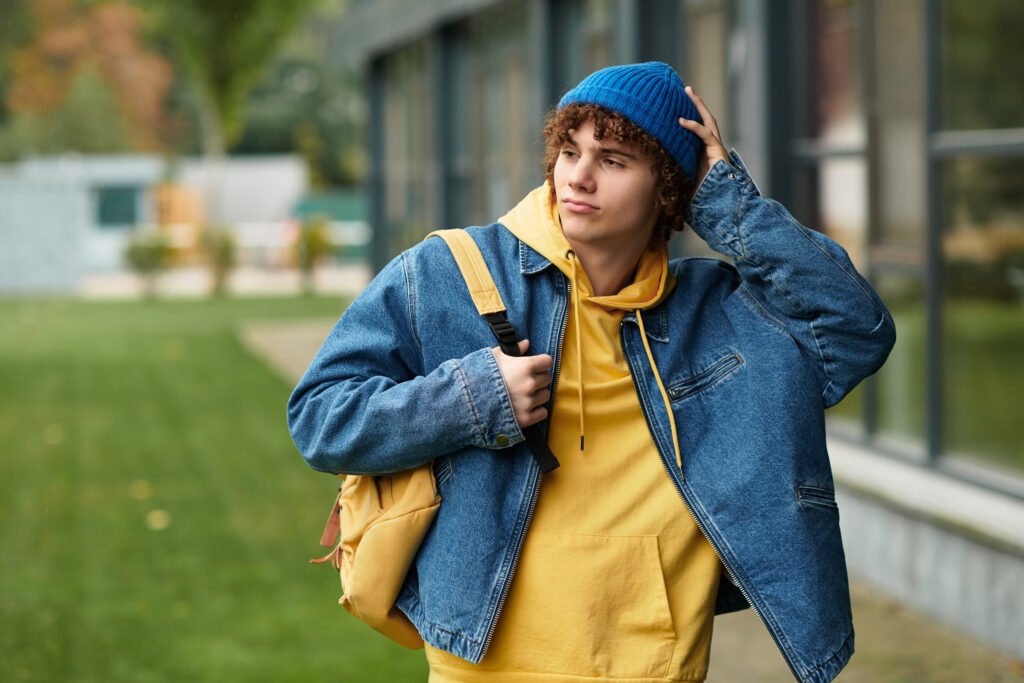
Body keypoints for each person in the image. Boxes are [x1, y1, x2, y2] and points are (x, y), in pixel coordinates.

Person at [288, 62, 895, 683]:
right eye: (570, 151)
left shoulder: (716, 313)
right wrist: (470, 400)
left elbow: (856, 328)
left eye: (613, 160)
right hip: (483, 664)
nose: (578, 176)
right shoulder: (447, 273)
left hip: (654, 664)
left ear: (668, 189)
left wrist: (725, 202)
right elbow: (319, 417)